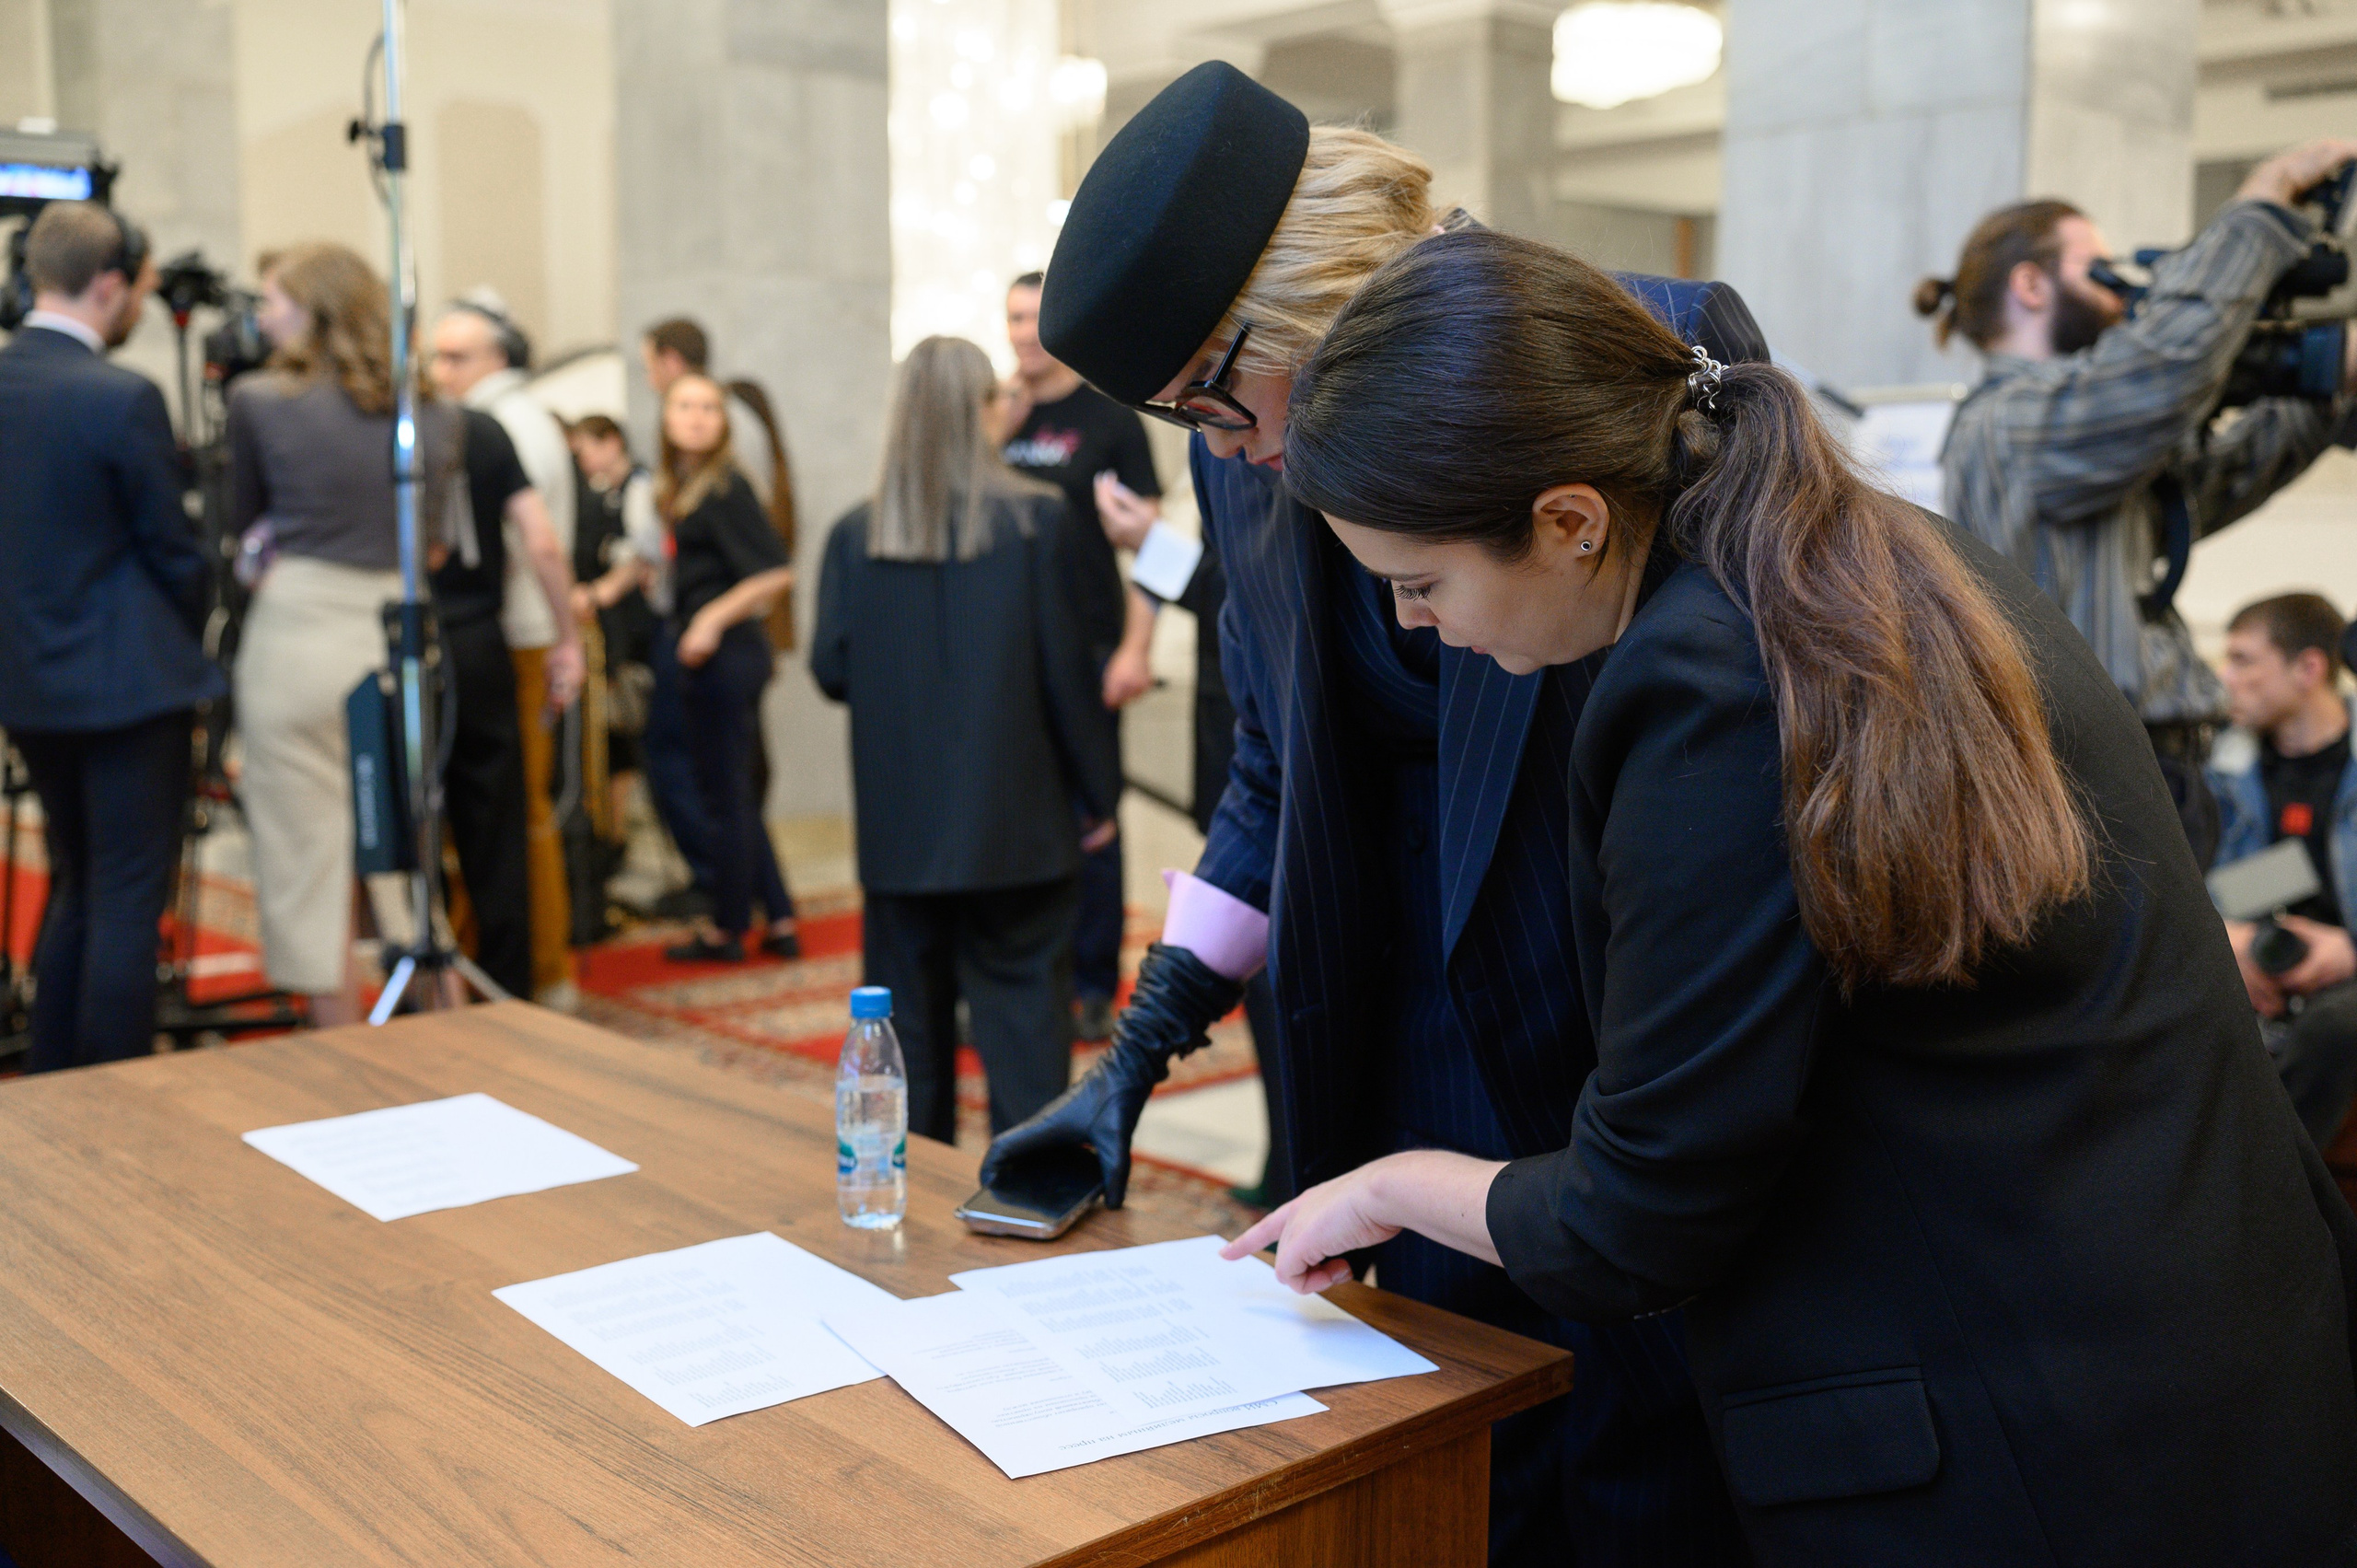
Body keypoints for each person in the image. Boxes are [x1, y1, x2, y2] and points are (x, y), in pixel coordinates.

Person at [1239, 224, 2357, 1564]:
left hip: (2033, 1433)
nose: (1418, 626)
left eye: (1420, 583)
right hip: (2190, 1345)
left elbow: (1637, 1215)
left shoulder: (1708, 674)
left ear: (1571, 519)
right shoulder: (1855, 552)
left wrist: (1394, 1183)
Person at [985, 63, 1760, 1565]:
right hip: (1384, 1036)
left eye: (1215, 397)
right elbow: (1270, 769)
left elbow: (1731, 729)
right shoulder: (1253, 469)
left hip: (1617, 1025)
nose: (1215, 447)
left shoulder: (1640, 338)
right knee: (1438, 1462)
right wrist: (1134, 1055)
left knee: (1636, 1470)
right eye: (1176, 421)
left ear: (1307, 301)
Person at [1923, 138, 2357, 859]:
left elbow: (2220, 475)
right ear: (2031, 287)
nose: (2124, 296)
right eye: (2098, 272)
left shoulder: (2090, 443)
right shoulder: (2011, 423)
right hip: (2090, 789)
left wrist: (2330, 382)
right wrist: (2260, 204)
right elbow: (2163, 367)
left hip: (2150, 778)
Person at [230, 245, 575, 1016]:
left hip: (296, 633)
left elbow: (247, 527)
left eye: (273, 300)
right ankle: (443, 1036)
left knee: (304, 857)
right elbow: (442, 545)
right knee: (409, 858)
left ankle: (338, 1042)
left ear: (314, 310)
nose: (261, 316)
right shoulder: (438, 414)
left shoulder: (259, 400)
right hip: (398, 634)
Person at [811, 336, 1120, 1143]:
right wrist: (1100, 792)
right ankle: (1021, 1195)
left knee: (908, 1037)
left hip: (901, 833)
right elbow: (1066, 675)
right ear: (981, 412)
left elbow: (830, 669)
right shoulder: (1035, 521)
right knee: (1024, 1033)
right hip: (1018, 823)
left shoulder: (856, 535)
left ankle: (915, 1203)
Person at [0, 200, 218, 1069]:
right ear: (110, 284)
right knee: (128, 893)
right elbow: (175, 549)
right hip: (128, 682)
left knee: (76, 883)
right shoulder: (121, 394)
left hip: (28, 683)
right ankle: (118, 1093)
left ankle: (57, 1074)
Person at [1003, 273, 1161, 1042]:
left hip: (1090, 641)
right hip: (1007, 651)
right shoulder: (994, 415)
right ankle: (1025, 973)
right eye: (1013, 318)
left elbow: (1155, 549)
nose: (1024, 333)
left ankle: (1095, 982)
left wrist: (1136, 646)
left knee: (1094, 814)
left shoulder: (1108, 419)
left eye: (1036, 318)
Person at [428, 293, 582, 1004]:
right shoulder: (504, 424)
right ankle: (516, 975)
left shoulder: (492, 424)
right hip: (497, 632)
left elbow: (543, 543)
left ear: (499, 356)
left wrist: (564, 634)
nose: (439, 369)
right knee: (500, 818)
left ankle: (527, 973)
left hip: (504, 633)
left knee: (503, 820)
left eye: (455, 356)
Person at [639, 317, 801, 939]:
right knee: (732, 791)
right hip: (712, 653)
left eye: (709, 407)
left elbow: (774, 573)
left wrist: (707, 618)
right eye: (686, 406)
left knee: (726, 795)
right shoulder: (680, 486)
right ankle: (778, 915)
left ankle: (730, 927)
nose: (698, 417)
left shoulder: (727, 485)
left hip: (727, 653)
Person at [2208, 592, 2357, 1148]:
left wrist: (2349, 950)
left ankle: (2276, 1194)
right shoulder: (2225, 771)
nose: (2225, 676)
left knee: (2336, 1028)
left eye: (2244, 659)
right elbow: (2199, 893)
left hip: (2346, 972)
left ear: (2309, 669)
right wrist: (2234, 941)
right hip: (2252, 961)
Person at [568, 415, 660, 901]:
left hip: (634, 632)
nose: (581, 461)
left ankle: (617, 838)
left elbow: (642, 556)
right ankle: (611, 835)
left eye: (585, 448)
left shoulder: (639, 489)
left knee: (629, 735)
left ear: (612, 442)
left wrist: (601, 593)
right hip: (617, 628)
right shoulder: (606, 492)